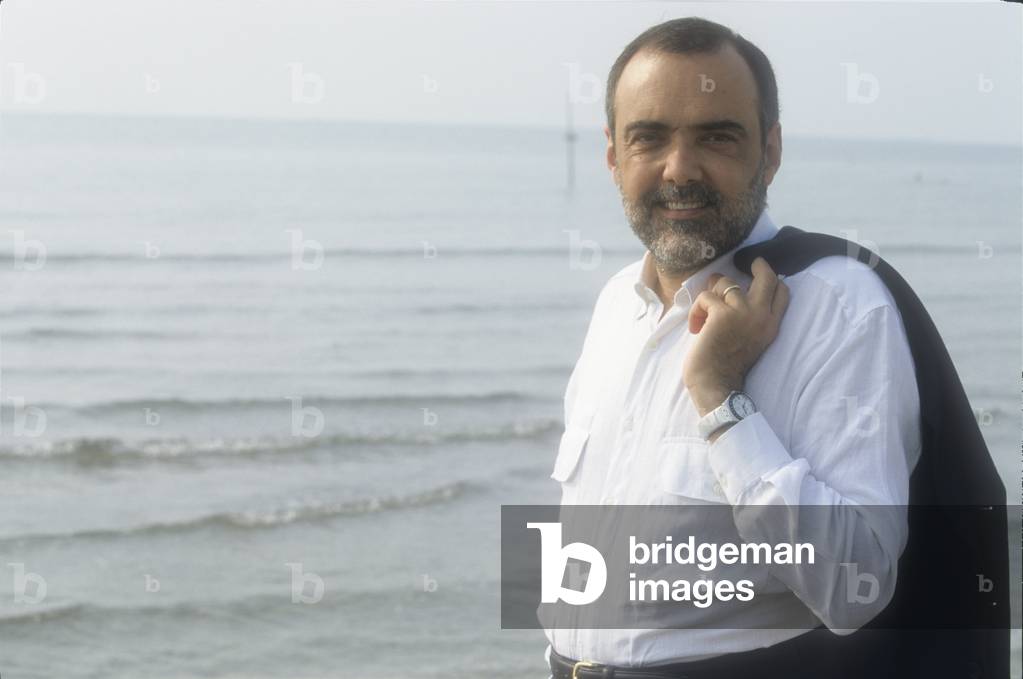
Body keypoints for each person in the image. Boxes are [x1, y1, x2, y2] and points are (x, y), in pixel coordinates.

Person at [543, 16, 1006, 679]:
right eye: (648, 138)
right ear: (613, 156)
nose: (679, 168)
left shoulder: (839, 305)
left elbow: (854, 588)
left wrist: (720, 400)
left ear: (770, 150)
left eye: (717, 137)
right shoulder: (616, 302)